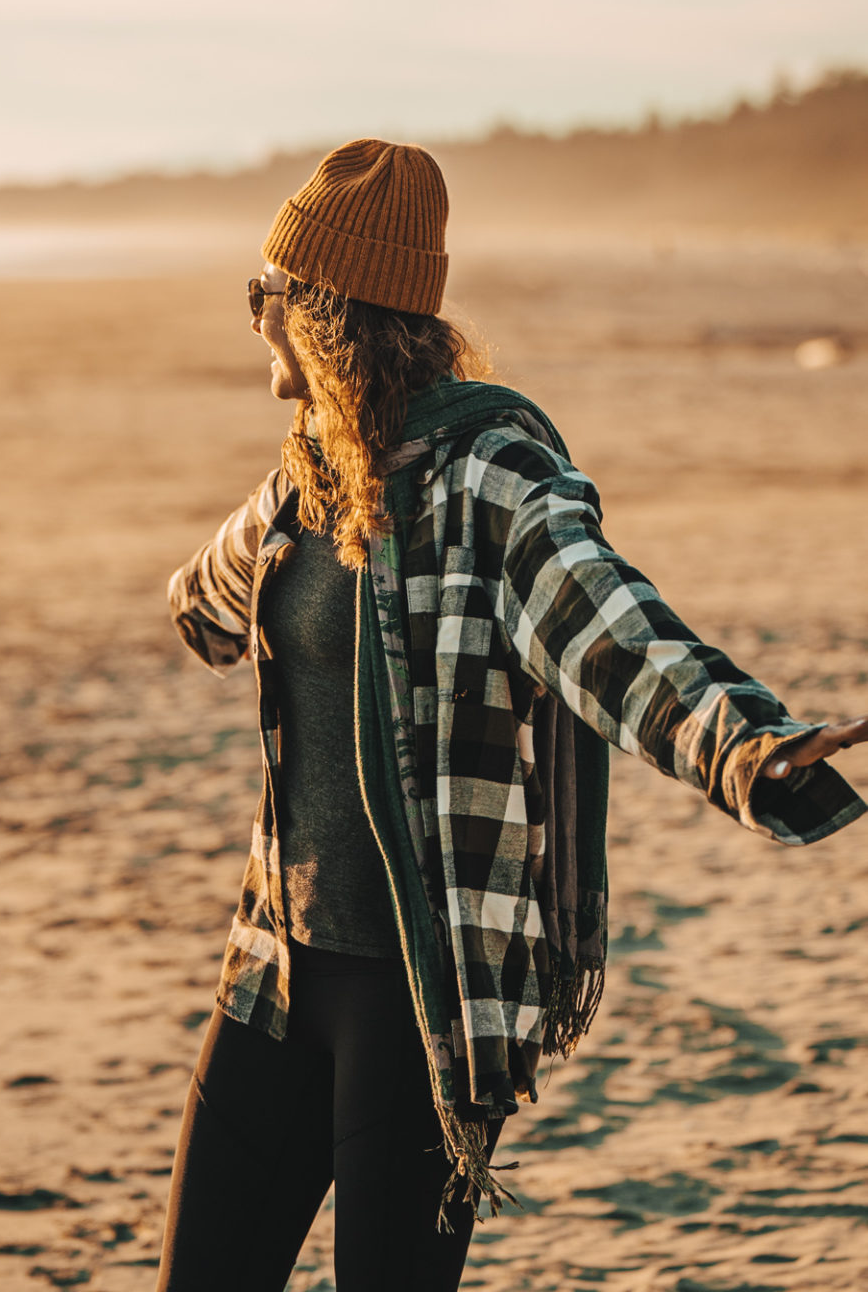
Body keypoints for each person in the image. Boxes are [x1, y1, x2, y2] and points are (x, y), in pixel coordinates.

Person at [156, 138, 866, 1292]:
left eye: (265, 298)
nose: (255, 323)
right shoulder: (305, 480)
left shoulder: (489, 483)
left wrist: (747, 744)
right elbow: (204, 607)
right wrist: (216, 591)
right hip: (274, 975)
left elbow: (614, 631)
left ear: (325, 313)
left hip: (418, 993)